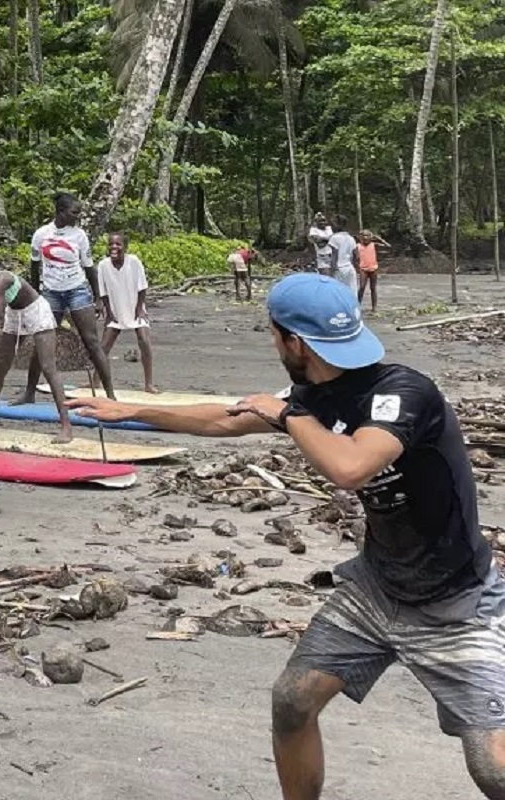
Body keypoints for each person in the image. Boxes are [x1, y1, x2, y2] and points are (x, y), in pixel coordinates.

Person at [66, 273, 505, 800]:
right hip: (377, 588)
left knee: (492, 769)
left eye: (274, 335)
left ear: (292, 341)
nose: (274, 344)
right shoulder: (313, 395)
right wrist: (133, 410)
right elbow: (227, 420)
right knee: (292, 701)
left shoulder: (404, 392)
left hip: (454, 604)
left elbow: (350, 467)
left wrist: (289, 414)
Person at [0, 255, 73, 442]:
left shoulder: (2, 279)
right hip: (14, 314)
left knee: (48, 367)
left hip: (36, 311)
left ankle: (66, 427)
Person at [25, 191, 116, 403]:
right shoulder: (41, 234)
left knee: (91, 341)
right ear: (61, 212)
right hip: (50, 293)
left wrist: (99, 298)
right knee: (42, 341)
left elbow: (89, 268)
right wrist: (37, 292)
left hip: (77, 290)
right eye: (74, 212)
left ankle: (110, 393)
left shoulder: (79, 235)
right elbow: (34, 264)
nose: (77, 217)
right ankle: (29, 392)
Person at [96, 233, 158, 394]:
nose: (114, 247)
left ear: (125, 247)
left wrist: (139, 309)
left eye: (118, 244)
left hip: (135, 307)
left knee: (144, 340)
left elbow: (142, 287)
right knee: (104, 347)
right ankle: (96, 381)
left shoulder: (134, 262)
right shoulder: (103, 265)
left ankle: (149, 384)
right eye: (111, 244)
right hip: (115, 310)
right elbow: (103, 293)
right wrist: (108, 313)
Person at [356, 229, 388, 313]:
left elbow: (388, 246)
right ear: (360, 237)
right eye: (363, 236)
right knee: (362, 287)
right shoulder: (358, 246)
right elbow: (354, 256)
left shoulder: (374, 245)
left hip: (373, 269)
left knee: (373, 288)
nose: (365, 237)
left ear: (371, 237)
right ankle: (357, 305)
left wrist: (379, 239)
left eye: (367, 235)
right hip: (363, 269)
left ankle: (374, 307)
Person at [327, 214, 359, 294]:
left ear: (338, 225)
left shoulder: (334, 238)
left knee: (338, 292)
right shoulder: (351, 238)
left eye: (332, 224)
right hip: (349, 268)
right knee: (352, 291)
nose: (331, 227)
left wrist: (332, 269)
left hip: (339, 268)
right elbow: (357, 256)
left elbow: (334, 255)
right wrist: (354, 264)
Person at [308, 212, 334, 276]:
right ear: (316, 222)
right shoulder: (313, 230)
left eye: (324, 220)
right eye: (320, 221)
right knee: (326, 277)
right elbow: (320, 244)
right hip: (322, 257)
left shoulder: (330, 228)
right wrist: (330, 238)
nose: (322, 223)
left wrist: (323, 239)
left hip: (333, 256)